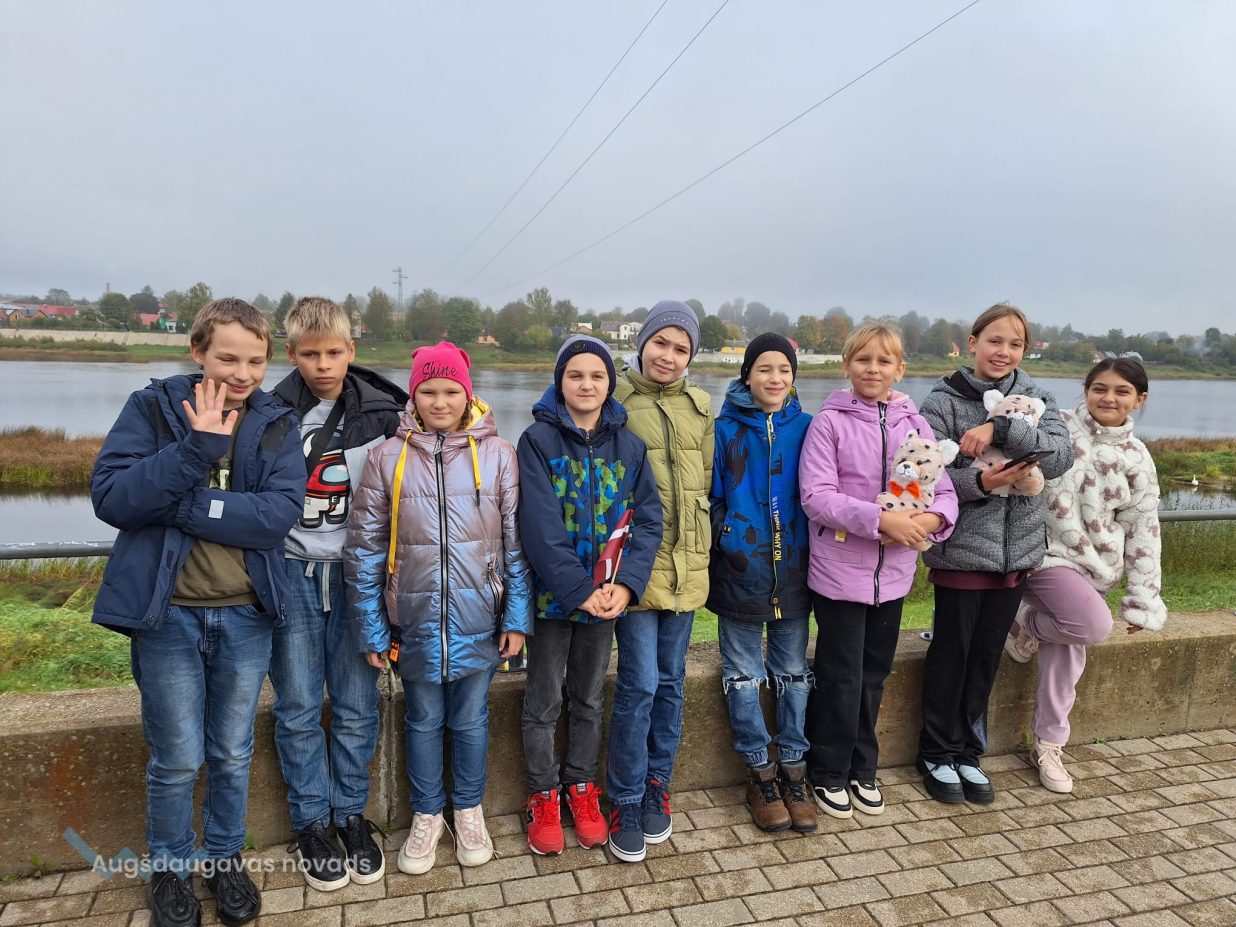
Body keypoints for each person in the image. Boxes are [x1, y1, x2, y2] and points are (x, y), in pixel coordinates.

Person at [91, 298, 303, 927]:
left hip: (245, 615)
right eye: (228, 358)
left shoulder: (276, 421)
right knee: (178, 757)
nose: (243, 374)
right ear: (198, 352)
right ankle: (171, 869)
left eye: (256, 362)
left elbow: (276, 516)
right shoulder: (152, 409)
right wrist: (196, 450)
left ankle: (224, 859)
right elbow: (114, 498)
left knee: (232, 752)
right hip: (168, 617)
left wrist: (184, 506)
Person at [347, 342, 532, 875]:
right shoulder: (387, 458)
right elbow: (363, 550)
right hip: (414, 619)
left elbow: (516, 546)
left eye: (452, 390)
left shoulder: (499, 455)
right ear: (414, 395)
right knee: (423, 719)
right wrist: (372, 628)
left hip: (480, 619)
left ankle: (468, 810)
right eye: (428, 391)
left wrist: (516, 617)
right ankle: (427, 814)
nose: (440, 401)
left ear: (467, 394)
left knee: (471, 719)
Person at [268, 297, 407, 891]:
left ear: (351, 350)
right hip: (293, 575)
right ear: (291, 353)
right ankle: (312, 823)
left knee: (355, 704)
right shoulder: (268, 412)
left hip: (357, 579)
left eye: (333, 352)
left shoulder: (385, 412)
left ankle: (351, 815)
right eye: (310, 354)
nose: (323, 365)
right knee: (298, 706)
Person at [916, 304, 1073, 804]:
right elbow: (922, 474)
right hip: (962, 553)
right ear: (973, 343)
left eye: (1015, 344)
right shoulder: (941, 401)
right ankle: (936, 752)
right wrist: (980, 482)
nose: (1004, 352)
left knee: (985, 657)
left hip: (1016, 554)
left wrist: (1000, 427)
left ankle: (967, 752)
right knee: (952, 654)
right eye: (995, 341)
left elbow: (1061, 456)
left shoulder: (1039, 396)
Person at [800, 324, 958, 819]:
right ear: (847, 365)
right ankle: (827, 769)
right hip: (839, 573)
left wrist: (930, 522)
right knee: (840, 676)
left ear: (900, 369)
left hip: (893, 577)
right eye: (863, 359)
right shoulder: (829, 422)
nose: (873, 369)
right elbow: (817, 496)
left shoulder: (917, 423)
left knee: (874, 674)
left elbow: (944, 491)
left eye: (884, 361)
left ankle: (862, 767)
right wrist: (881, 520)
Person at [517, 336, 662, 856]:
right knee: (543, 701)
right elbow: (538, 526)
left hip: (606, 602)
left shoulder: (631, 447)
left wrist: (625, 585)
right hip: (554, 603)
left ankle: (581, 786)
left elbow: (648, 522)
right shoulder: (536, 441)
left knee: (588, 698)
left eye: (597, 376)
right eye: (575, 375)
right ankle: (542, 794)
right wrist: (579, 591)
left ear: (610, 383)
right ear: (559, 382)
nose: (586, 384)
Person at [1005, 358, 1165, 793]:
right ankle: (1021, 621)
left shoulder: (1137, 456)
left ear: (1139, 399)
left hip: (1095, 569)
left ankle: (1048, 744)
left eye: (1121, 391)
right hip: (1041, 555)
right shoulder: (1056, 427)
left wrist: (1142, 599)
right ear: (1086, 389)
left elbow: (1144, 529)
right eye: (1099, 388)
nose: (1108, 398)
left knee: (1068, 650)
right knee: (1091, 626)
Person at [607, 300, 714, 863]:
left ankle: (656, 784)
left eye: (681, 348)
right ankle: (624, 796)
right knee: (639, 684)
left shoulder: (700, 407)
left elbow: (707, 487)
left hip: (687, 566)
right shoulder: (616, 401)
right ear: (642, 343)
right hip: (635, 568)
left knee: (671, 682)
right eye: (661, 343)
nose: (669, 356)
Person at [708, 334, 817, 833]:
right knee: (743, 675)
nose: (775, 378)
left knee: (794, 673)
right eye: (765, 369)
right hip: (739, 572)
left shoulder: (809, 428)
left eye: (784, 370)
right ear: (747, 375)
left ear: (794, 377)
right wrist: (727, 537)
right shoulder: (724, 430)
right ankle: (760, 772)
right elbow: (711, 496)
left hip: (796, 571)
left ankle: (794, 769)